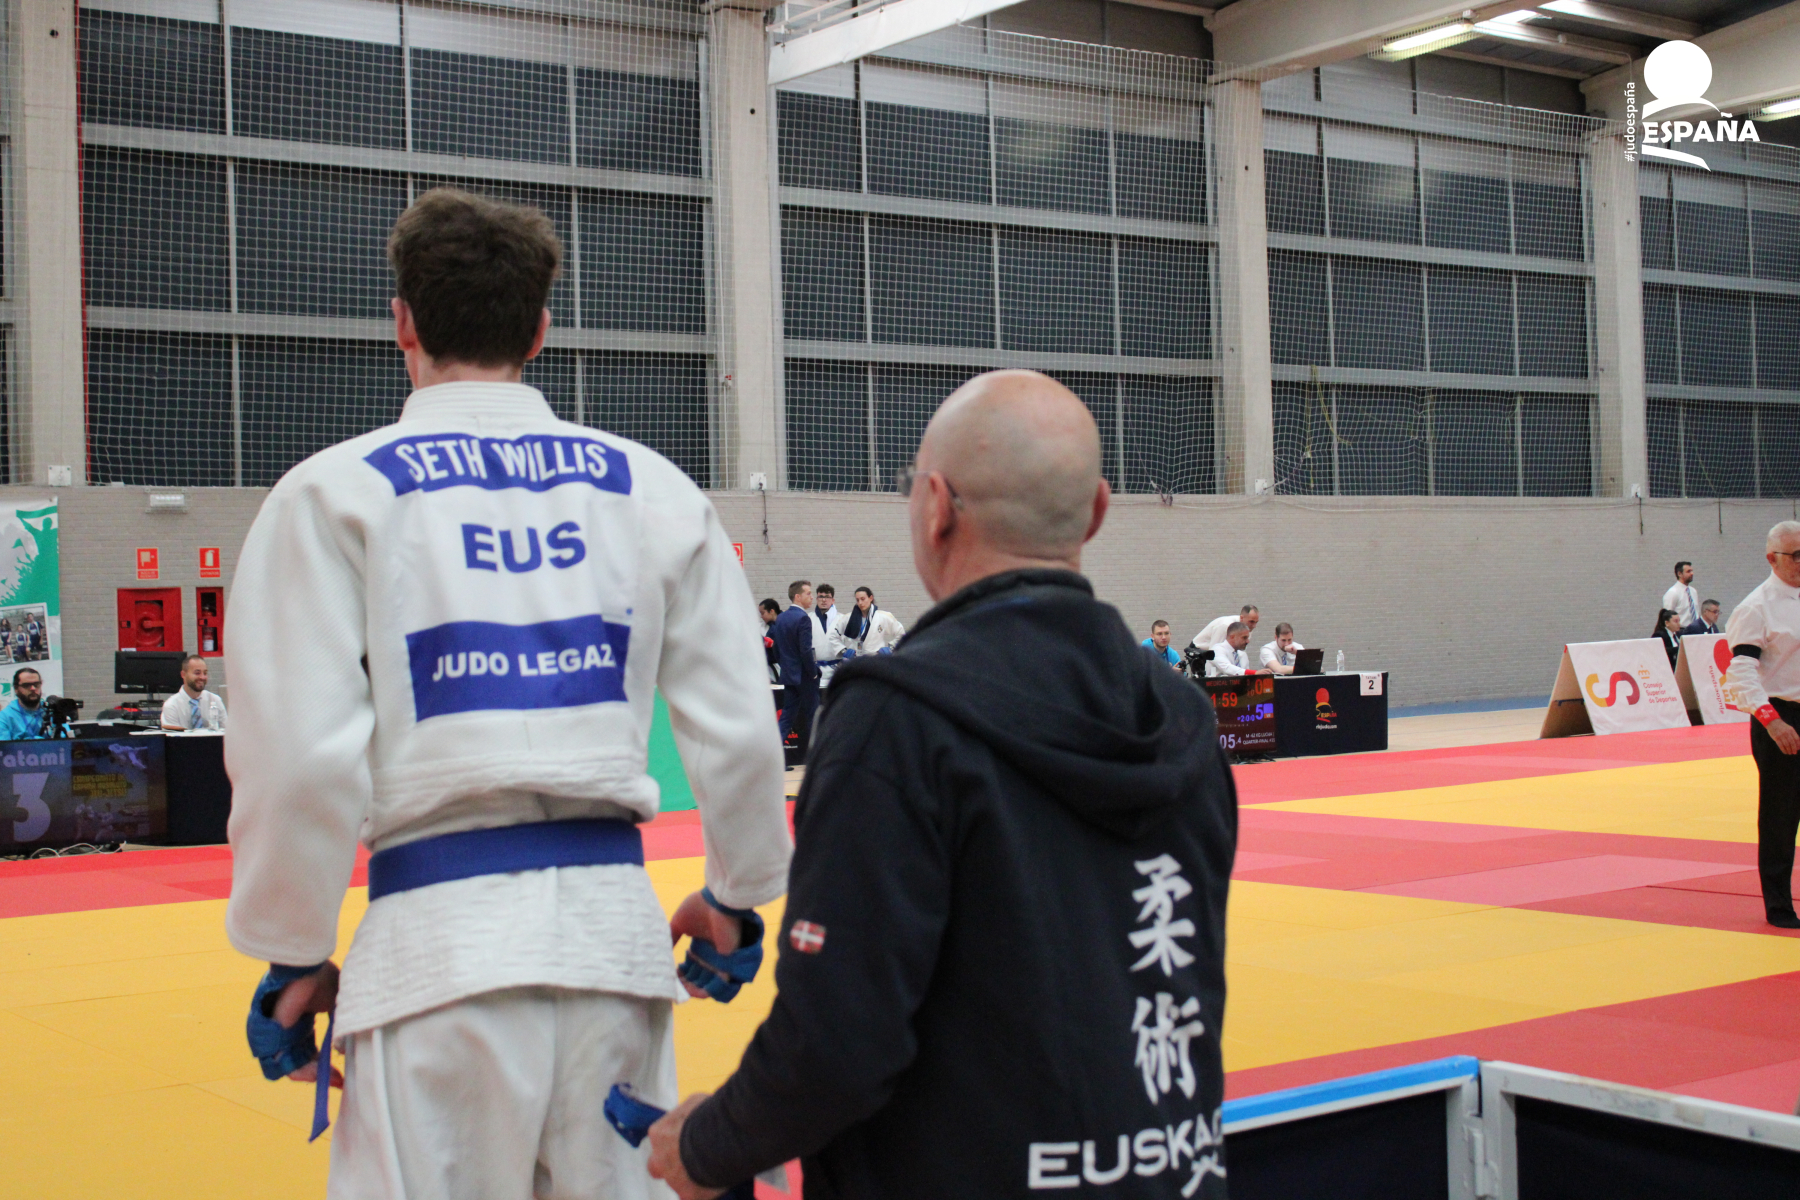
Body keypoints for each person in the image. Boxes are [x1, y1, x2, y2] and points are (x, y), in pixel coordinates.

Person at [222, 188, 792, 1196]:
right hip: (612, 959)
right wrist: (738, 898)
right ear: (538, 328)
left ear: (402, 321)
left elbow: (299, 755)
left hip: (434, 962)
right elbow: (743, 728)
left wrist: (293, 948)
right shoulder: (651, 488)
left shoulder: (331, 493)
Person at [647, 369, 1234, 1200]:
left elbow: (837, 1041)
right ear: (1098, 512)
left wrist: (707, 1146)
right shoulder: (1183, 719)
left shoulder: (896, 722)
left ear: (935, 507)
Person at [1723, 521, 1800, 930]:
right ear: (1772, 558)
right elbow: (1741, 673)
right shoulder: (1756, 607)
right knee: (1780, 815)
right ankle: (1779, 905)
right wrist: (1771, 721)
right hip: (1780, 716)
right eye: (1796, 556)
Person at [773, 580, 822, 758]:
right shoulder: (803, 618)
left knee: (787, 717)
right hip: (804, 676)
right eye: (808, 593)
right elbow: (806, 651)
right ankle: (818, 758)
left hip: (789, 675)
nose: (812, 597)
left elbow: (776, 649)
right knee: (813, 717)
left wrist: (786, 666)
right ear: (798, 597)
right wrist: (813, 673)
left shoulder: (781, 618)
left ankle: (776, 758)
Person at [160, 654, 228, 731]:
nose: (202, 677)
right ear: (183, 674)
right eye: (197, 673)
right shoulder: (172, 705)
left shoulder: (215, 700)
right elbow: (171, 736)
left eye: (205, 673)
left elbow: (226, 732)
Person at [838, 586, 904, 657]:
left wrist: (891, 648)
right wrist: (843, 650)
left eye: (863, 599)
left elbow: (901, 634)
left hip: (876, 657)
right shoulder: (848, 617)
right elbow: (833, 636)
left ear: (871, 598)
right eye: (857, 600)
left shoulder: (883, 616)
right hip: (856, 658)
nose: (860, 603)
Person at [813, 584, 847, 685]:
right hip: (815, 670)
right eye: (821, 597)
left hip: (837, 669)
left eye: (827, 597)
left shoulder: (843, 619)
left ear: (833, 600)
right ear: (817, 599)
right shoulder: (808, 619)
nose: (824, 600)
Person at [0, 668, 48, 739]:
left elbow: (63, 740)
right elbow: (4, 745)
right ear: (16, 689)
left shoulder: (50, 710)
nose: (33, 688)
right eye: (27, 685)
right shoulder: (5, 716)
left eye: (36, 684)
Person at [1192, 605, 1258, 651]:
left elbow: (1240, 650)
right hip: (1199, 650)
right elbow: (1214, 650)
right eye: (1251, 621)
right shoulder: (1225, 625)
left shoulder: (1247, 627)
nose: (1254, 626)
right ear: (1242, 617)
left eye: (1256, 622)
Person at [1664, 561, 1700, 630]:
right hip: (1681, 630)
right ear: (1679, 574)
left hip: (1696, 629)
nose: (1692, 573)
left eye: (1692, 571)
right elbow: (1667, 616)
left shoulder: (1693, 591)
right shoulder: (1673, 593)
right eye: (1688, 571)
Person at [760, 598, 783, 685]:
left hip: (779, 665)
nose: (761, 616)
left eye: (763, 613)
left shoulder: (782, 625)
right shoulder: (764, 626)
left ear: (772, 611)